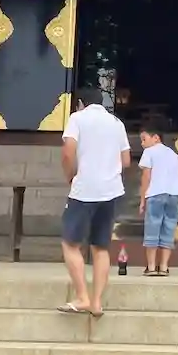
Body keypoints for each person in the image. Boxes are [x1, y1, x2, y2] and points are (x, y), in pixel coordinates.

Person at [57, 85, 129, 316]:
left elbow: (68, 152)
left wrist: (70, 175)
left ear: (80, 103)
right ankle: (97, 302)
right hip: (111, 190)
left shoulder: (77, 118)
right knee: (101, 247)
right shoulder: (116, 123)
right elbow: (126, 160)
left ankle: (82, 297)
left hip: (84, 189)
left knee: (70, 244)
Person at [137, 126, 178, 276]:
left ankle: (151, 266)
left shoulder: (149, 152)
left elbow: (146, 176)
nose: (142, 143)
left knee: (152, 227)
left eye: (144, 139)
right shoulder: (174, 155)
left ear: (156, 137)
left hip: (155, 193)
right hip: (174, 195)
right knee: (169, 228)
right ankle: (163, 266)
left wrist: (142, 199)